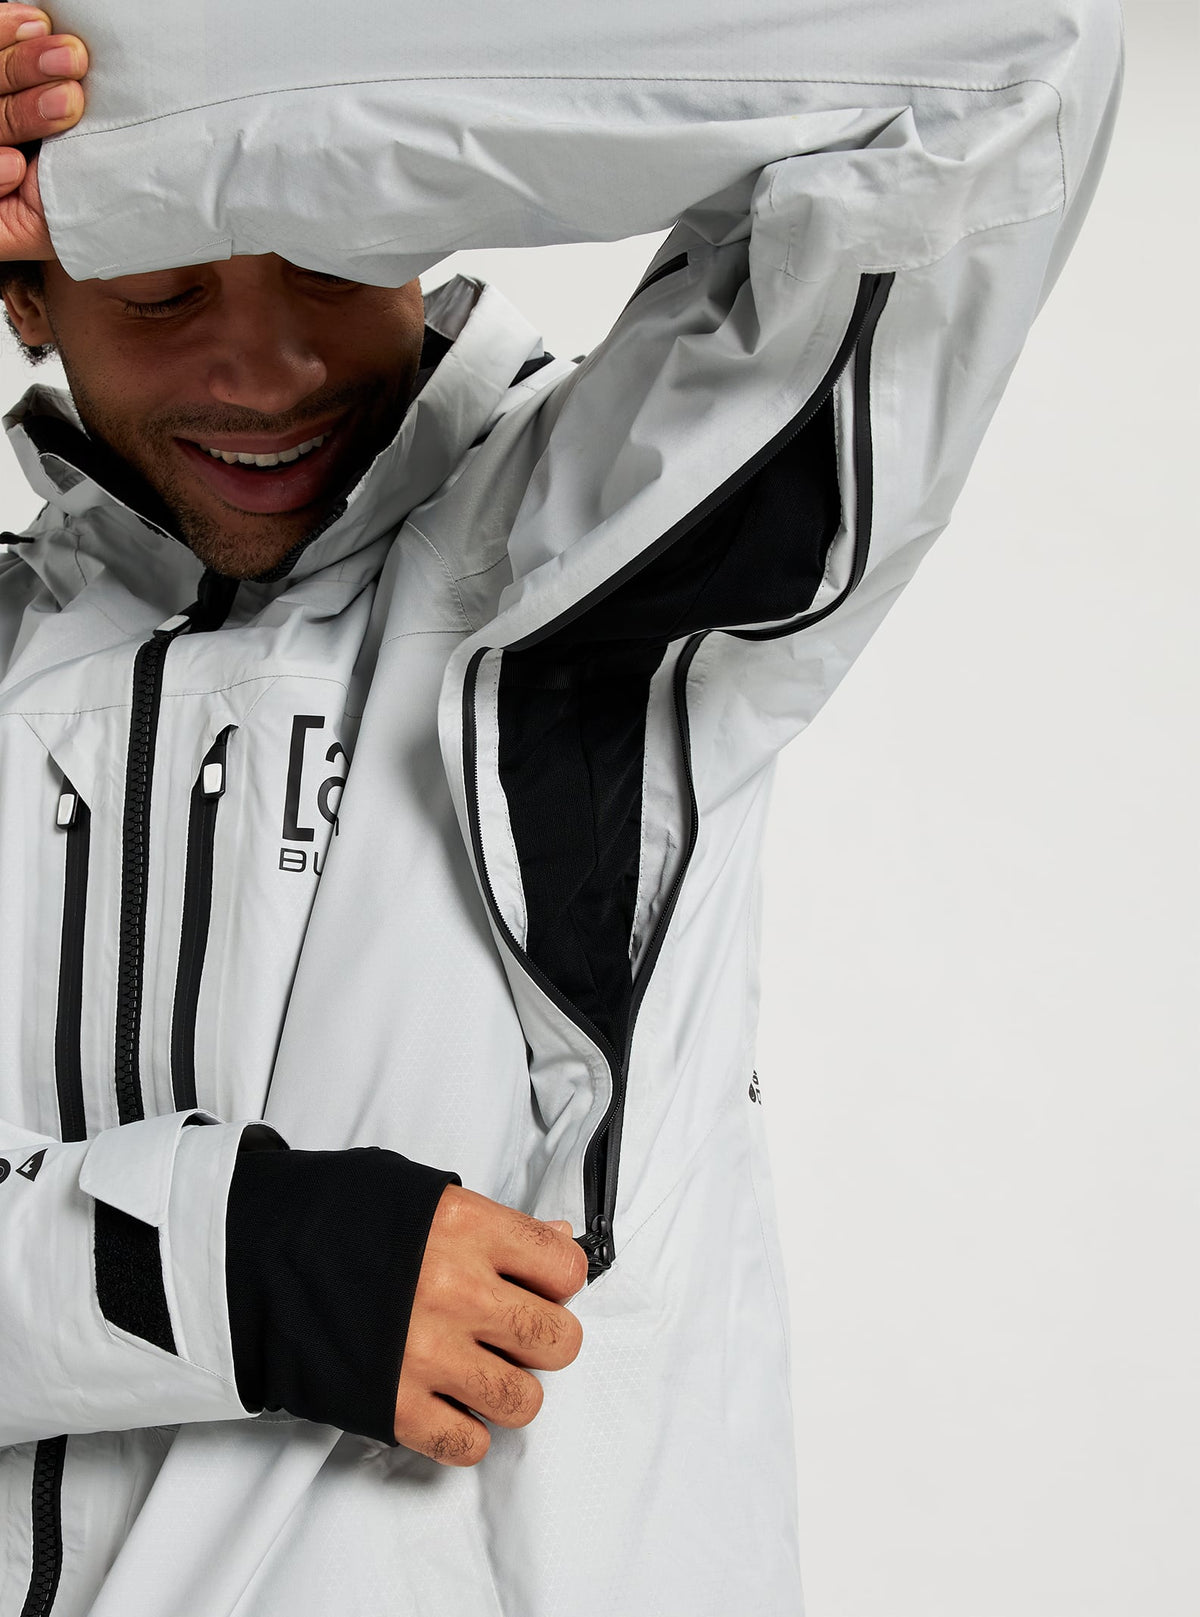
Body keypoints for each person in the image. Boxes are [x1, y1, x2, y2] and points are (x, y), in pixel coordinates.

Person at [0, 2, 1123, 1613]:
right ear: (25, 288)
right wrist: (240, 1265)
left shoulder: (575, 553)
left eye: (336, 243)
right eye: (162, 286)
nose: (265, 368)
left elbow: (1017, 65)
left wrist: (171, 127)